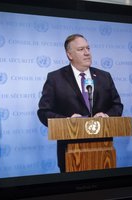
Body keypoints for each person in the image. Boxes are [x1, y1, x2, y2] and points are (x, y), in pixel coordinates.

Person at [37, 34, 123, 172]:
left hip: (103, 151)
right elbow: (44, 112)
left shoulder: (104, 76)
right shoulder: (55, 78)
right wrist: (67, 122)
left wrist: (107, 116)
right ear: (69, 54)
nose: (87, 52)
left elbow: (117, 106)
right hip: (70, 151)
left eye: (88, 48)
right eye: (81, 49)